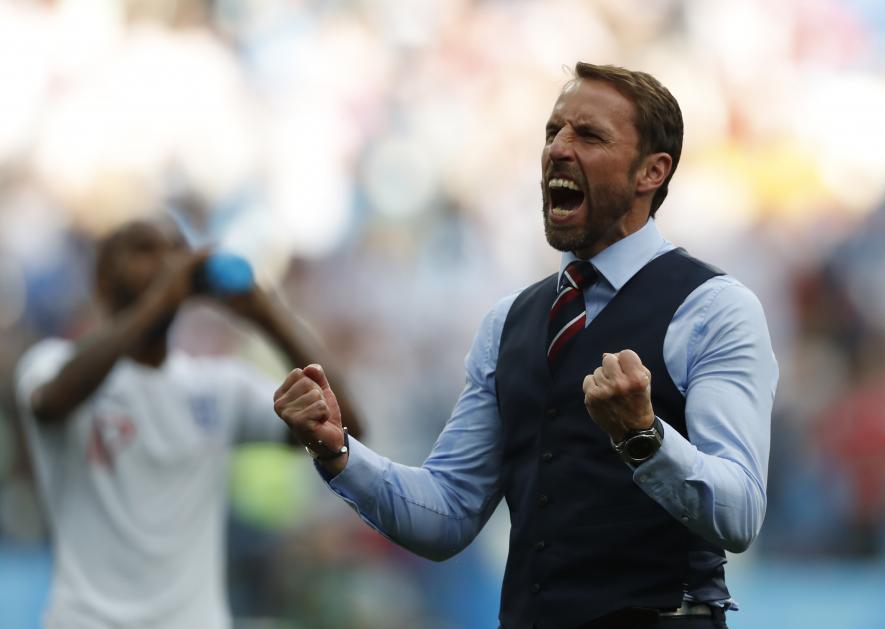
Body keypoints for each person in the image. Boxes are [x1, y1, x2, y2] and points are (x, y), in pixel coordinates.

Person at [274, 62, 777, 629]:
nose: (558, 149)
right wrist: (338, 452)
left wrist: (644, 439)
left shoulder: (713, 308)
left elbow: (740, 514)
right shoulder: (509, 322)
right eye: (552, 132)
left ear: (651, 172)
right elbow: (448, 514)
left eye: (588, 135)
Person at [14, 218, 363, 629]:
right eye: (144, 250)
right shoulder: (52, 364)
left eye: (176, 250)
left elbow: (347, 429)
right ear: (103, 282)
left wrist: (265, 312)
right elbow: (50, 403)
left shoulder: (218, 386)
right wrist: (160, 299)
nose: (167, 263)